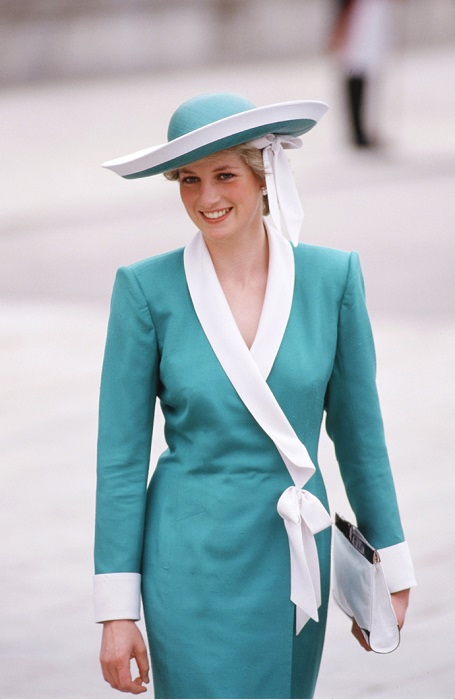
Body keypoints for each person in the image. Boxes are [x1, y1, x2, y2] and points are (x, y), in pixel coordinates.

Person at [94, 92, 416, 698]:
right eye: (189, 180)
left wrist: (390, 568)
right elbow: (120, 460)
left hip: (293, 555)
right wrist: (116, 609)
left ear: (264, 175)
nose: (206, 197)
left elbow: (361, 439)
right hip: (186, 559)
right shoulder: (144, 290)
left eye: (224, 175)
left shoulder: (332, 279)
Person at [329, 0, 394, 147]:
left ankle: (367, 130)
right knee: (355, 72)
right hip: (357, 21)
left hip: (372, 18)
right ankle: (358, 132)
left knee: (370, 75)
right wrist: (340, 29)